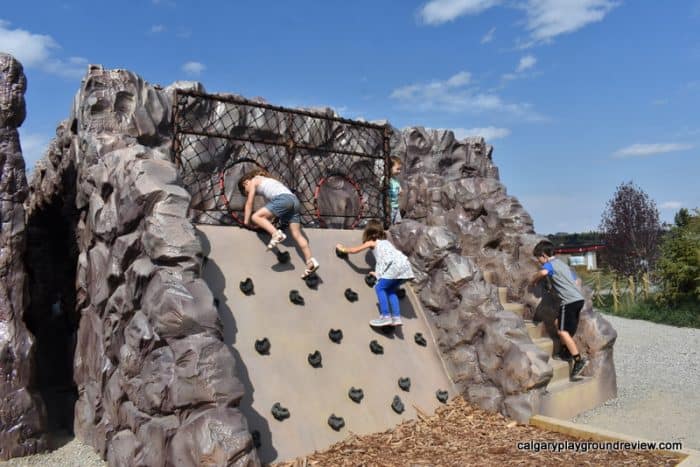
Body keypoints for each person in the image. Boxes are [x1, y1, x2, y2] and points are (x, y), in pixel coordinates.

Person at [238, 169, 319, 279]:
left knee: (255, 216)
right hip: (294, 201)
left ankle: (277, 234)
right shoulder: (268, 182)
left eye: (246, 192)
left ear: (245, 183)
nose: (251, 193)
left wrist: (245, 222)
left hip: (283, 199)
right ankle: (310, 261)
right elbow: (271, 212)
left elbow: (249, 203)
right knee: (297, 234)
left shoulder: (253, 181)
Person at [336, 220, 415, 327]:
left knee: (379, 288)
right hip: (405, 266)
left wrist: (343, 248)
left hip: (394, 267)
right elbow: (386, 259)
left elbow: (355, 250)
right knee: (391, 290)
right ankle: (396, 317)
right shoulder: (387, 243)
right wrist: (378, 273)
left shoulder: (372, 242)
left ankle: (386, 316)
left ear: (369, 233)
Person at [531, 240, 588, 379]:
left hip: (568, 302)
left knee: (562, 332)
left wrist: (533, 280)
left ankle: (578, 360)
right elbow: (576, 281)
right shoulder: (563, 264)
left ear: (544, 255)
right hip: (578, 299)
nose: (539, 261)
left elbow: (544, 272)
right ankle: (565, 352)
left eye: (539, 258)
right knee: (559, 324)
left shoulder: (549, 265)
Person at [388, 156, 403, 224]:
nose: (399, 171)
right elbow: (381, 187)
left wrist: (400, 191)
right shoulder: (386, 179)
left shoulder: (395, 180)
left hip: (396, 206)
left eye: (400, 169)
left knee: (398, 222)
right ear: (390, 168)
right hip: (389, 207)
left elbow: (399, 187)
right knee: (389, 222)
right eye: (397, 169)